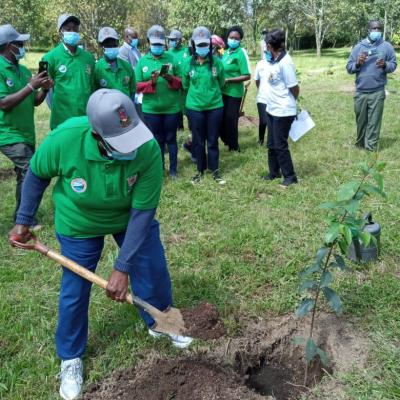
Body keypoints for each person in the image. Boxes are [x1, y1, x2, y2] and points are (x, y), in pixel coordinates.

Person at [9, 89, 193, 400]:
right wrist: (23, 218)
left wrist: (123, 267)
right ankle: (70, 357)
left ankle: (160, 322)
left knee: (151, 266)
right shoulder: (65, 138)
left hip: (129, 217)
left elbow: (143, 212)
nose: (130, 148)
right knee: (75, 287)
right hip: (79, 221)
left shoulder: (147, 147)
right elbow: (37, 174)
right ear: (97, 134)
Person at [0, 24, 53, 219]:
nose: (23, 46)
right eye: (19, 43)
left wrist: (45, 89)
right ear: (8, 45)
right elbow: (4, 103)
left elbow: (35, 101)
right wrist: (32, 86)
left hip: (26, 133)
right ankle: (24, 220)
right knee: (31, 170)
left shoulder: (22, 70)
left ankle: (21, 216)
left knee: (24, 174)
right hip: (7, 132)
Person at [135, 25, 182, 179]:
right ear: (149, 43)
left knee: (171, 139)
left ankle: (174, 170)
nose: (157, 47)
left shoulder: (171, 58)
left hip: (171, 108)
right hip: (151, 109)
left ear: (164, 44)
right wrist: (151, 83)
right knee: (157, 140)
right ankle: (159, 168)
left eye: (160, 44)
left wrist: (170, 78)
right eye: (154, 44)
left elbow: (181, 82)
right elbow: (136, 85)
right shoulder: (142, 61)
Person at [182, 26, 225, 185]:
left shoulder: (217, 63)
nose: (202, 48)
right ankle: (200, 170)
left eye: (205, 44)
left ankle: (215, 171)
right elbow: (185, 85)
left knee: (212, 140)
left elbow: (221, 82)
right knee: (199, 141)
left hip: (215, 107)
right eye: (199, 45)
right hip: (195, 108)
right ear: (193, 45)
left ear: (210, 44)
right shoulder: (188, 64)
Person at [346, 20, 397, 151]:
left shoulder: (387, 47)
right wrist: (358, 63)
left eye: (379, 29)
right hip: (361, 91)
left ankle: (371, 148)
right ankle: (360, 143)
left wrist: (385, 65)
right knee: (361, 121)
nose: (376, 31)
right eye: (374, 29)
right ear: (368, 30)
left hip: (377, 91)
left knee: (374, 122)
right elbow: (349, 67)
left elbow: (393, 64)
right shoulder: (358, 47)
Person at [42, 14, 95, 130]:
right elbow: (46, 91)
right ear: (61, 31)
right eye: (68, 29)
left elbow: (91, 87)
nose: (72, 31)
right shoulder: (50, 58)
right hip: (61, 121)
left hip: (85, 120)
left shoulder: (88, 58)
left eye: (75, 29)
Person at [261, 29, 299, 188]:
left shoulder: (285, 63)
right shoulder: (273, 60)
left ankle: (290, 177)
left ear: (270, 45)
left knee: (280, 145)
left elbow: (295, 88)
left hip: (283, 111)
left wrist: (288, 103)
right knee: (271, 143)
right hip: (271, 108)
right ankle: (274, 172)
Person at [220, 26, 251, 152]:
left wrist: (229, 80)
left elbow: (247, 75)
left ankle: (234, 146)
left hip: (234, 92)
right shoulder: (225, 52)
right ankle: (227, 140)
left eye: (236, 38)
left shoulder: (240, 53)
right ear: (227, 38)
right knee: (220, 119)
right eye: (231, 37)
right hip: (222, 91)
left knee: (230, 119)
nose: (233, 40)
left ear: (240, 40)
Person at [94, 27, 136, 98]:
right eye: (108, 44)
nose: (112, 46)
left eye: (114, 43)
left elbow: (132, 91)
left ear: (118, 43)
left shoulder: (127, 66)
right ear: (101, 45)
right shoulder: (97, 69)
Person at [167, 29, 189, 130]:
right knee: (176, 105)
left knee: (188, 105)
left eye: (173, 39)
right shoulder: (168, 53)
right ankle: (179, 127)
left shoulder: (187, 51)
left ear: (180, 40)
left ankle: (192, 126)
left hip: (186, 84)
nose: (171, 41)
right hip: (174, 83)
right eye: (170, 39)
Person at [254, 50, 269, 145]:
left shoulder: (279, 63)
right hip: (262, 98)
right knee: (263, 121)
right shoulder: (260, 64)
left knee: (272, 123)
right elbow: (257, 80)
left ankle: (270, 142)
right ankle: (261, 140)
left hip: (275, 98)